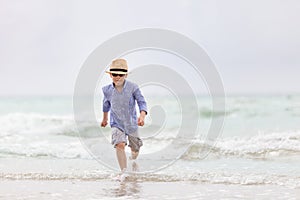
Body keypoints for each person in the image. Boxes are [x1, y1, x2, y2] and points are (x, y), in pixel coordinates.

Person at [101, 58, 147, 177]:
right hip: (116, 123)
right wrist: (105, 119)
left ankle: (133, 159)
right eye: (115, 74)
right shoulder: (107, 90)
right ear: (111, 75)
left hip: (131, 124)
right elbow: (106, 105)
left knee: (135, 149)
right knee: (119, 144)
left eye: (121, 74)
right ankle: (124, 172)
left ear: (125, 75)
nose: (118, 77)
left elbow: (142, 102)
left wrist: (142, 116)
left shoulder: (133, 87)